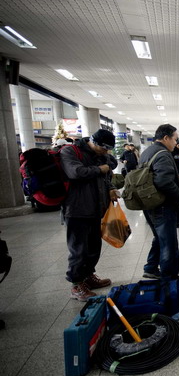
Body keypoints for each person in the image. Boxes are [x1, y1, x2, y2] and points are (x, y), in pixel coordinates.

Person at [61, 129, 119, 301]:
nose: (106, 152)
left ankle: (88, 276)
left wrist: (110, 188)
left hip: (95, 208)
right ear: (94, 142)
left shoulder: (101, 155)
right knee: (78, 249)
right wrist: (99, 169)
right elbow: (75, 172)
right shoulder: (70, 151)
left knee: (94, 247)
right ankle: (76, 285)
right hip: (77, 210)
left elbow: (109, 169)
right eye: (104, 148)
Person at [141, 124, 179, 286]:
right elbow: (163, 181)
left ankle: (151, 267)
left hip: (149, 202)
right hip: (162, 204)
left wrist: (176, 178)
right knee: (169, 242)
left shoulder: (148, 151)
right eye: (175, 139)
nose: (176, 143)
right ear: (166, 138)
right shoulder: (163, 154)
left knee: (159, 237)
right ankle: (169, 277)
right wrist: (178, 196)